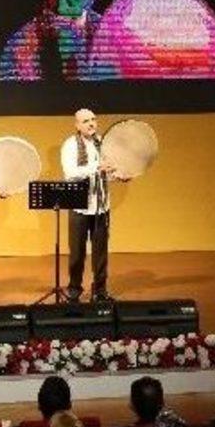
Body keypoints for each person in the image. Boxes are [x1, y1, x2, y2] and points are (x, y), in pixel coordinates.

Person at [60, 108, 118, 302]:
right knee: (77, 252)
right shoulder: (70, 145)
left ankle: (100, 290)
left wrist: (117, 175)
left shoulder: (102, 143)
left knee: (100, 252)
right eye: (85, 121)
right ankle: (74, 289)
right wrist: (97, 167)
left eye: (93, 119)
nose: (91, 123)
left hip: (101, 206)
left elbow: (107, 172)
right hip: (79, 206)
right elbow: (71, 173)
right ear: (77, 125)